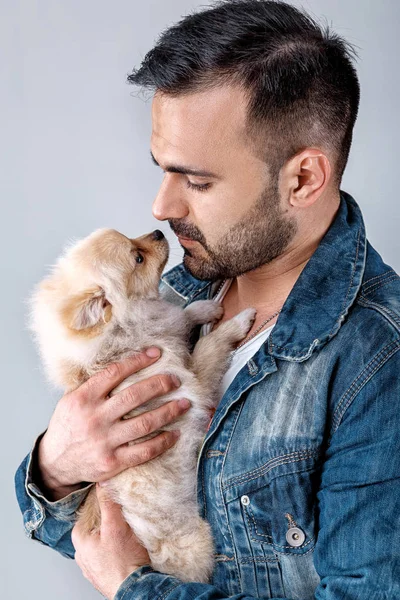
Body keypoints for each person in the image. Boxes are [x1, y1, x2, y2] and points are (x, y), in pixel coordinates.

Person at [15, 1, 400, 599]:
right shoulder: (174, 294)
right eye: (162, 170)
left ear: (302, 179)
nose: (161, 208)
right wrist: (57, 468)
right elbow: (100, 530)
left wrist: (133, 588)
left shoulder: (378, 360)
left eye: (196, 181)